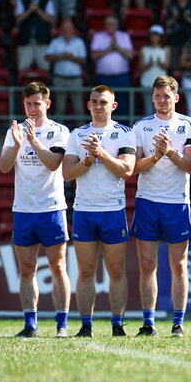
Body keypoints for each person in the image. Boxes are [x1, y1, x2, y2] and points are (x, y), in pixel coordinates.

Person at [130, 76, 191, 337]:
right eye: (158, 96)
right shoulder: (141, 126)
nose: (162, 100)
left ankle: (178, 323)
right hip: (148, 200)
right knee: (147, 264)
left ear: (176, 98)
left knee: (179, 265)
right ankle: (148, 323)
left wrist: (170, 152)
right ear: (152, 98)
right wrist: (156, 155)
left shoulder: (190, 125)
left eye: (167, 96)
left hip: (177, 202)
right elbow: (133, 168)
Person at [63, 86, 136, 336]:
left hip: (112, 210)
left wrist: (101, 153)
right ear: (88, 105)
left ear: (113, 106)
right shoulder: (77, 134)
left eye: (103, 102)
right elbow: (66, 173)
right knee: (85, 270)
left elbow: (126, 170)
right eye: (94, 101)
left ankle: (118, 325)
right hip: (84, 210)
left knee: (116, 269)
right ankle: (86, 325)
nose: (98, 106)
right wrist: (86, 159)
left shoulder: (124, 133)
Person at [1, 83, 72, 338]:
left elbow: (54, 164)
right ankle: (30, 324)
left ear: (47, 104)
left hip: (52, 207)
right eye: (28, 104)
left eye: (37, 103)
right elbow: (4, 167)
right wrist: (19, 143)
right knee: (27, 268)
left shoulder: (59, 131)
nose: (32, 108)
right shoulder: (15, 131)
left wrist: (33, 141)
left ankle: (62, 324)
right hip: (24, 208)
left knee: (58, 266)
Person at [89, 13, 134, 118]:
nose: (110, 26)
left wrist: (117, 47)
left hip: (122, 77)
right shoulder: (98, 36)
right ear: (104, 25)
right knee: (103, 106)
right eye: (108, 24)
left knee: (122, 106)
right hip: (104, 77)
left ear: (117, 25)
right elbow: (93, 55)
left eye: (112, 24)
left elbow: (131, 55)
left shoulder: (124, 36)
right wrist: (109, 49)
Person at [45, 18, 87, 117]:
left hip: (75, 79)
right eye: (64, 28)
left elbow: (83, 60)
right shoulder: (55, 42)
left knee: (78, 109)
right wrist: (60, 56)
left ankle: (82, 132)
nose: (67, 30)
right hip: (59, 79)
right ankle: (58, 132)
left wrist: (70, 57)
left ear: (73, 30)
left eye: (69, 28)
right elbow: (47, 57)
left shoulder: (79, 42)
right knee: (60, 108)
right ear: (61, 29)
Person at [14, 0, 56, 71]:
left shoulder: (47, 2)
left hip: (42, 40)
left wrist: (38, 10)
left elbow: (51, 20)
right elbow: (18, 19)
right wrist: (29, 10)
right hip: (26, 39)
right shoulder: (21, 1)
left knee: (44, 67)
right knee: (23, 67)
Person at [138, 25, 169, 113]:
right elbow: (140, 66)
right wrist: (148, 65)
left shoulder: (166, 49)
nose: (154, 37)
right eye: (153, 35)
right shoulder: (144, 49)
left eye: (157, 35)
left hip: (161, 84)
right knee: (148, 108)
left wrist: (160, 64)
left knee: (161, 108)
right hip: (147, 82)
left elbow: (167, 66)